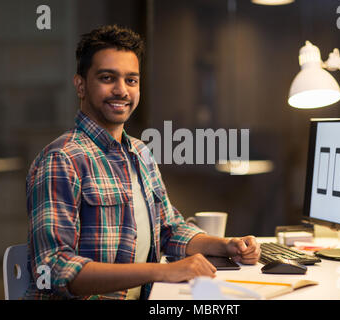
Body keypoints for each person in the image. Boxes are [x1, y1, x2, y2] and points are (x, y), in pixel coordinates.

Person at [24, 24, 260, 300]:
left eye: (131, 80)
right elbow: (53, 269)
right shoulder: (61, 159)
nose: (121, 90)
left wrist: (225, 246)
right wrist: (159, 271)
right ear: (80, 85)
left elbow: (170, 229)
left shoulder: (139, 152)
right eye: (107, 78)